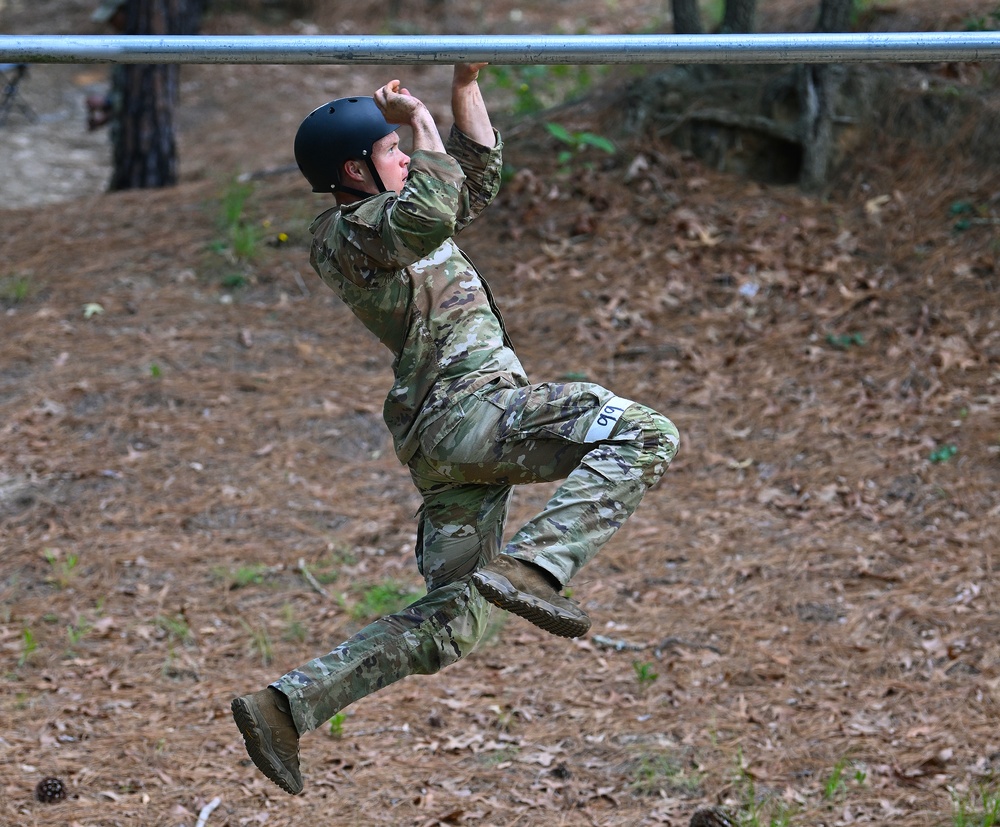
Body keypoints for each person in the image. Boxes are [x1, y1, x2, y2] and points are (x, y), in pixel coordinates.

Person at [231, 63, 680, 796]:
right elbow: (432, 209)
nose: (405, 157)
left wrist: (463, 84)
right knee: (646, 433)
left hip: (450, 450)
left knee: (453, 621)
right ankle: (538, 565)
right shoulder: (348, 232)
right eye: (390, 150)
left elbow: (471, 180)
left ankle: (286, 705)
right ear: (354, 169)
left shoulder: (401, 213)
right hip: (470, 413)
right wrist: (420, 122)